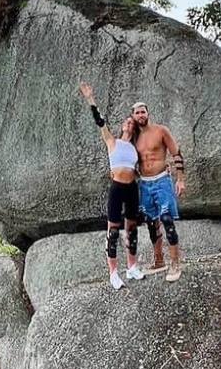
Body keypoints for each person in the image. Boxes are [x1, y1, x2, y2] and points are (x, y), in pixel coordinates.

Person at [79, 82, 145, 290]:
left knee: (132, 229)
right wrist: (90, 99)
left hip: (132, 188)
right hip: (117, 188)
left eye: (131, 123)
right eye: (127, 122)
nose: (129, 124)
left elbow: (142, 169)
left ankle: (132, 266)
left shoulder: (135, 149)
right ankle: (114, 273)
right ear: (123, 126)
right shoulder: (112, 141)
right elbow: (100, 121)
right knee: (113, 230)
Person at [130, 100, 187, 282]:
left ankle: (175, 262)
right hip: (145, 184)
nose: (141, 115)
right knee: (151, 222)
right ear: (133, 116)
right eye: (137, 113)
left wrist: (180, 179)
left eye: (143, 112)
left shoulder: (161, 131)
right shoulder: (133, 137)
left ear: (148, 113)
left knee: (167, 220)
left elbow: (176, 153)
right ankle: (159, 261)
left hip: (162, 180)